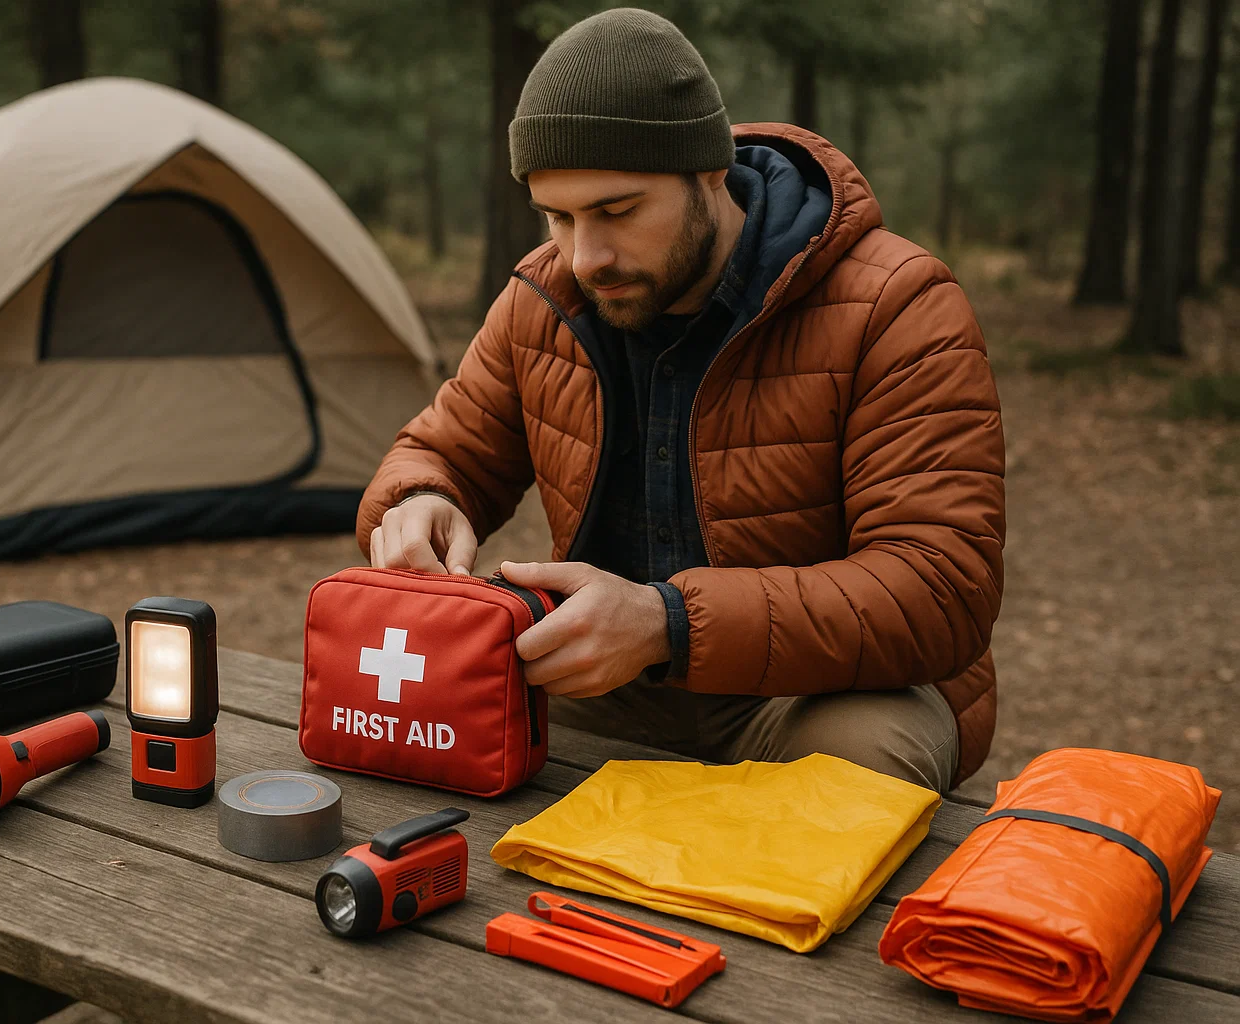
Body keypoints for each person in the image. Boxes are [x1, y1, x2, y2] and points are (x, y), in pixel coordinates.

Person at [358, 7, 1005, 793]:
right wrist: (420, 499)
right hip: (599, 681)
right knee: (419, 737)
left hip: (814, 694)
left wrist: (667, 623)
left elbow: (940, 589)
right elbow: (441, 451)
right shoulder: (545, 298)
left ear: (708, 171)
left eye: (617, 212)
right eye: (557, 217)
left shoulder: (895, 304)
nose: (585, 256)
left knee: (856, 779)